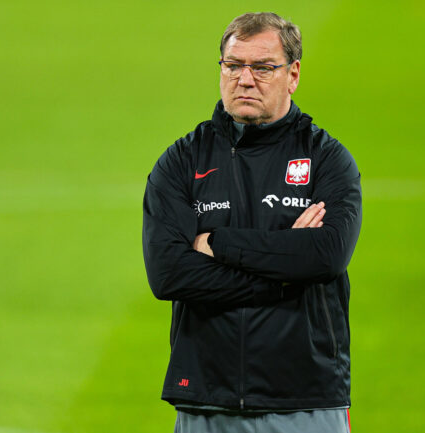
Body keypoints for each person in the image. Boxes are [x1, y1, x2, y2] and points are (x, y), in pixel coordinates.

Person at [142, 12, 361, 433]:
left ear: (292, 74)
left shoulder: (327, 159)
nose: (245, 79)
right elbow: (169, 274)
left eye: (262, 67)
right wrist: (284, 275)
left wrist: (217, 244)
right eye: (233, 65)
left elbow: (325, 257)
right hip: (207, 402)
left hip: (306, 401)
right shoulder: (182, 161)